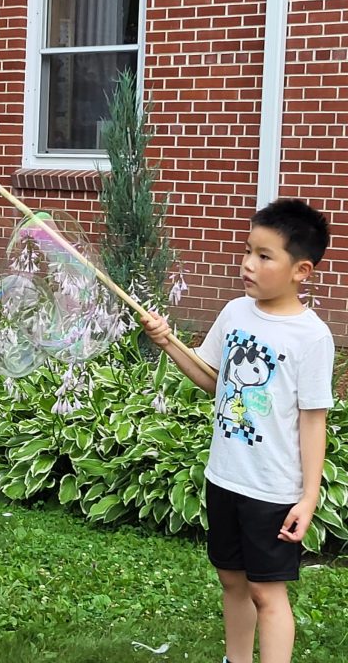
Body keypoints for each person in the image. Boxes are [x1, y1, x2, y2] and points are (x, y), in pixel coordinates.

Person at [141, 199, 332, 663]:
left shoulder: (312, 337)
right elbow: (213, 379)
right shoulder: (235, 312)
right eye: (248, 250)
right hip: (225, 476)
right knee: (232, 580)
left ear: (300, 270)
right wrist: (168, 341)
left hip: (271, 490)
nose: (248, 263)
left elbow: (312, 420)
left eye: (264, 256)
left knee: (268, 593)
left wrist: (307, 498)